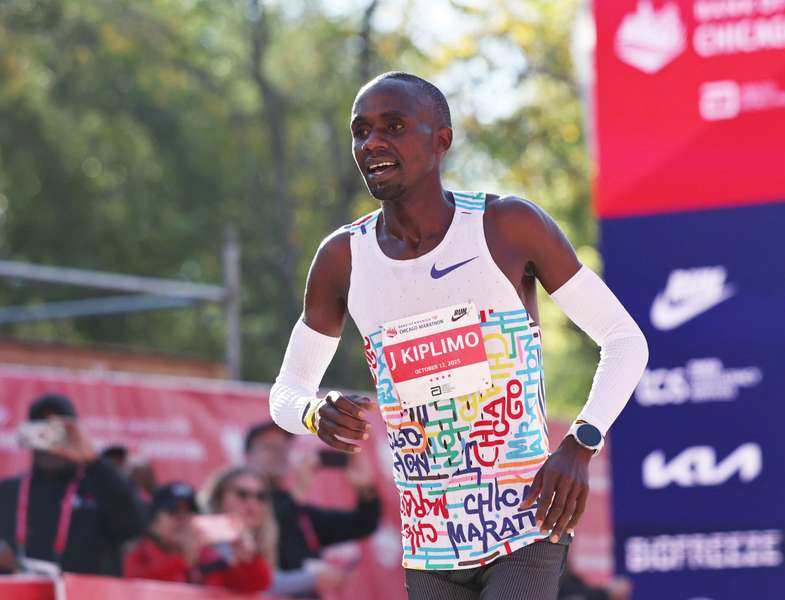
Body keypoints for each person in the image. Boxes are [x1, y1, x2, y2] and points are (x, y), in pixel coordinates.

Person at [269, 72, 649, 600]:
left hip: (525, 524)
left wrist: (581, 443)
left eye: (393, 126)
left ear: (440, 139)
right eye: (361, 131)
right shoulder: (343, 259)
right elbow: (284, 394)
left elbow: (624, 339)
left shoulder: (506, 226)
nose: (372, 142)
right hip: (429, 544)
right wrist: (315, 411)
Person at [0, 393, 142, 576]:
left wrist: (93, 461)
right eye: (41, 431)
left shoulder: (100, 486)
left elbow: (134, 527)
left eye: (58, 431)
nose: (50, 441)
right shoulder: (8, 492)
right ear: (27, 435)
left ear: (74, 433)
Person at [243, 421, 380, 597]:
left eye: (283, 447)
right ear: (247, 455)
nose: (278, 454)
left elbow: (363, 523)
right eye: (269, 447)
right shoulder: (236, 502)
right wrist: (298, 493)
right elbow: (271, 526)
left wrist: (365, 489)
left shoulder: (299, 511)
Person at [124, 477, 271, 593]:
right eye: (173, 512)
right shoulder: (137, 554)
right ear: (154, 521)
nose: (183, 519)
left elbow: (257, 585)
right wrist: (183, 561)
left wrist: (248, 559)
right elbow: (135, 587)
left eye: (190, 512)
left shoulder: (209, 556)